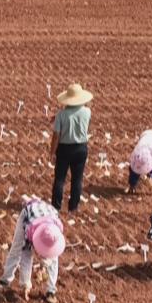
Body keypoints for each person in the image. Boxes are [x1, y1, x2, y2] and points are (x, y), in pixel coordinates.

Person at [0, 197, 66, 303]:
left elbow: (51, 257)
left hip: (48, 215)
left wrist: (44, 266)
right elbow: (26, 255)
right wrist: (26, 284)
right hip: (28, 214)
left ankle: (51, 291)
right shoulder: (30, 229)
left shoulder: (55, 231)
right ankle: (5, 280)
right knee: (16, 247)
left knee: (53, 259)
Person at [50, 83, 93, 212]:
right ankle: (73, 208)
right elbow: (85, 108)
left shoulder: (61, 115)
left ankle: (55, 207)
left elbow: (56, 136)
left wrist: (52, 152)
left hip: (64, 149)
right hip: (81, 149)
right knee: (77, 179)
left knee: (59, 179)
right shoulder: (87, 112)